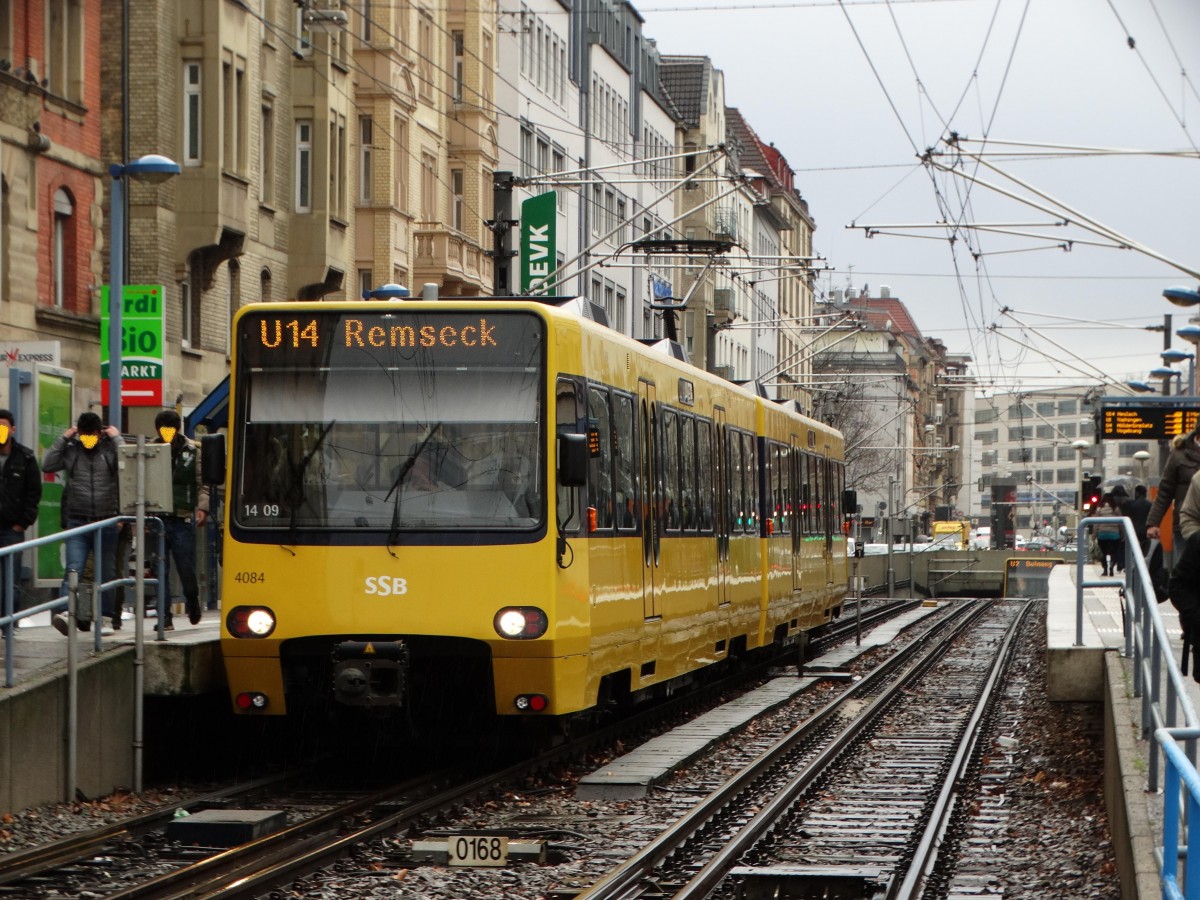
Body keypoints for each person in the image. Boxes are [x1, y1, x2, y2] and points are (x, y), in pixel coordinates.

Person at [42, 411, 123, 632]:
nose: (88, 439)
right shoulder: (72, 451)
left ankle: (106, 617)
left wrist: (116, 438)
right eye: (83, 435)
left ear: (100, 433)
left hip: (107, 520)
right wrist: (65, 437)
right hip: (78, 520)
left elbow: (129, 463)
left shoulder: (109, 451)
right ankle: (67, 612)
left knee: (106, 573)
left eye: (92, 435)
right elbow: (47, 464)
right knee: (73, 569)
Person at [151, 410, 209, 626]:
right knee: (160, 570)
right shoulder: (151, 449)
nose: (165, 434)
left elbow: (202, 482)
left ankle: (192, 601)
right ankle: (164, 617)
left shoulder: (194, 450)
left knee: (186, 567)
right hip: (158, 519)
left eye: (169, 429)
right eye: (161, 429)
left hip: (183, 518)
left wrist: (202, 508)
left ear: (177, 430)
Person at [0, 409, 43, 620]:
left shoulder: (25, 457)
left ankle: (9, 622)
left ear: (12, 429)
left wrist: (22, 523)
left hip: (12, 529)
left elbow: (33, 492)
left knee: (10, 580)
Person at [1147, 427, 1200, 552]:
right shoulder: (1179, 454)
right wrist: (1153, 523)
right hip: (1187, 525)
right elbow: (1165, 491)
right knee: (1186, 569)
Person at [1093, 492, 1124, 576]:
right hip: (1114, 535)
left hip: (1102, 535)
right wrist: (1122, 534)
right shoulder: (1116, 509)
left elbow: (1096, 524)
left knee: (1104, 552)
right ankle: (1112, 565)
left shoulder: (1099, 509)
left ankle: (1105, 569)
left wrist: (1094, 535)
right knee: (1114, 552)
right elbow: (1121, 523)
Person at [1122, 484, 1152, 555]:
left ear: (1137, 493)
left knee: (1134, 550)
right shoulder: (1150, 504)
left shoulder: (1132, 504)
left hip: (1134, 530)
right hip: (1146, 530)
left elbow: (1128, 516)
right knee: (1145, 551)